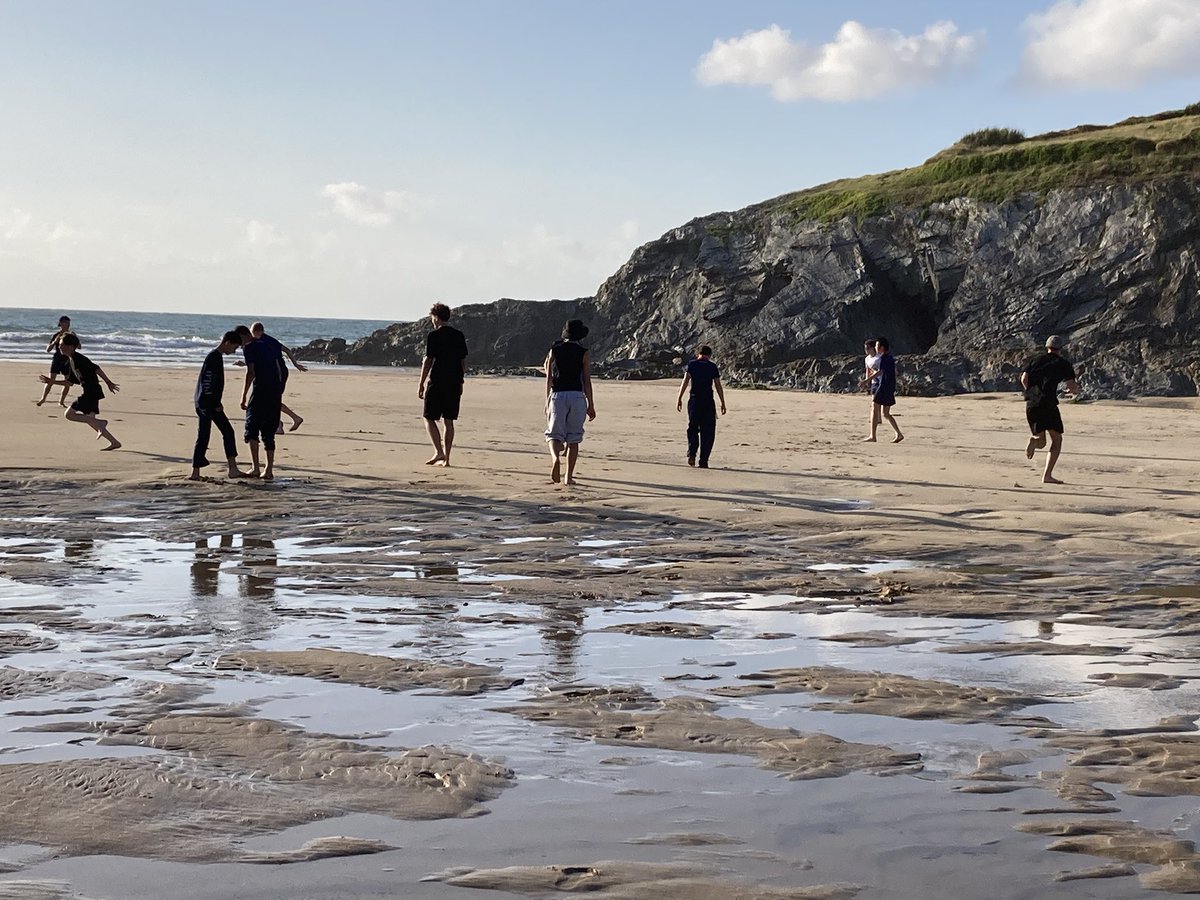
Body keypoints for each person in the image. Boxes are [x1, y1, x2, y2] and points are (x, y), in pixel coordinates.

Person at [38, 333, 121, 450]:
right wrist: (51, 382)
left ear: (71, 346)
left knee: (69, 415)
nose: (60, 347)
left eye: (62, 345)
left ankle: (102, 424)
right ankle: (114, 442)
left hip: (91, 391)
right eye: (59, 345)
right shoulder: (71, 361)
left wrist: (108, 382)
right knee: (91, 420)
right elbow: (69, 383)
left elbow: (96, 368)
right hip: (93, 391)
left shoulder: (79, 359)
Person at [1020, 334, 1081, 485]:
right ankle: (1047, 475)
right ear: (1060, 349)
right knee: (1057, 439)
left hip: (1031, 403)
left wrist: (1030, 391)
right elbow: (1071, 387)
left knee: (1041, 442)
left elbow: (1023, 379)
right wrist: (1074, 392)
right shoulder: (1063, 364)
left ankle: (1034, 441)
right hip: (1048, 403)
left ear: (1047, 347)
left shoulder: (1034, 360)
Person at [190, 331, 249, 481]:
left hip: (204, 401)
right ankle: (228, 469)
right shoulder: (214, 357)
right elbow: (208, 382)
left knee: (213, 433)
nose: (234, 351)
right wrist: (215, 403)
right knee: (217, 433)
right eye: (234, 348)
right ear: (227, 343)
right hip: (207, 403)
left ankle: (199, 471)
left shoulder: (215, 357)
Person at [544, 319, 596, 485]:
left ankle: (555, 459)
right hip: (577, 396)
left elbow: (549, 377)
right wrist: (591, 405)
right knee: (574, 439)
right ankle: (568, 477)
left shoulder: (555, 350)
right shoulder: (584, 352)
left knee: (554, 434)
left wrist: (547, 399)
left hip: (558, 395)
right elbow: (587, 380)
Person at [417, 303, 469, 466]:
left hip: (438, 380)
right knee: (448, 420)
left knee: (428, 417)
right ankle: (447, 458)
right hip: (453, 382)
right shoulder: (458, 335)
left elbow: (428, 361)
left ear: (436, 317)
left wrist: (421, 383)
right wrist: (461, 381)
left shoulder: (434, 336)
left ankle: (438, 452)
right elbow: (463, 361)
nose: (432, 320)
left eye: (432, 317)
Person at [237, 324, 286, 480]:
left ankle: (256, 468)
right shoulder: (267, 343)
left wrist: (243, 395)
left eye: (239, 341)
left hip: (261, 390)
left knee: (251, 429)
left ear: (244, 336)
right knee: (268, 432)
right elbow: (279, 365)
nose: (239, 345)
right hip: (275, 390)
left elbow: (250, 372)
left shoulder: (249, 347)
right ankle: (269, 469)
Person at [248, 322, 306, 433]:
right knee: (268, 400)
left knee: (272, 400)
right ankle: (281, 423)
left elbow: (287, 350)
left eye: (255, 333)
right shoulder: (257, 342)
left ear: (260, 332)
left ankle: (285, 422)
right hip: (271, 373)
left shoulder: (268, 340)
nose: (253, 335)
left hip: (279, 373)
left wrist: (295, 364)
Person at [675, 345, 727, 468]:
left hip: (694, 400)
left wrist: (679, 398)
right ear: (709, 355)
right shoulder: (712, 366)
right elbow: (718, 385)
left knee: (692, 427)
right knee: (708, 431)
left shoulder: (692, 364)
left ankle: (692, 453)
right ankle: (704, 460)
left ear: (698, 354)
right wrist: (723, 402)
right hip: (708, 401)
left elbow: (685, 381)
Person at [863, 337, 903, 443]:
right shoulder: (887, 357)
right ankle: (899, 434)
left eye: (877, 345)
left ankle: (873, 436)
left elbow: (880, 372)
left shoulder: (884, 358)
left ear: (882, 347)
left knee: (875, 407)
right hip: (886, 386)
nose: (875, 347)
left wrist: (866, 381)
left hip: (884, 386)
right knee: (885, 413)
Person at [36, 316, 73, 407]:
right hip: (57, 359)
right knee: (50, 380)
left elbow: (79, 347)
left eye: (68, 323)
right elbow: (48, 349)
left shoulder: (71, 335)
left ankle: (61, 401)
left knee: (67, 381)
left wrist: (75, 339)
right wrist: (54, 342)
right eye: (65, 323)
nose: (67, 325)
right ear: (60, 324)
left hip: (67, 360)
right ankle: (43, 398)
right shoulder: (56, 335)